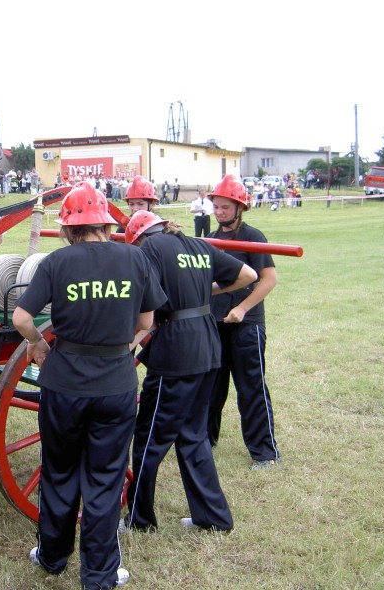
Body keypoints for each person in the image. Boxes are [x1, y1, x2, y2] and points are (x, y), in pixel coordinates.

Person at [13, 182, 166, 590]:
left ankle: (51, 557)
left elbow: (22, 318)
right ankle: (99, 574)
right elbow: (147, 323)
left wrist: (39, 346)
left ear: (68, 227)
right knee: (105, 478)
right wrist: (121, 348)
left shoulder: (56, 263)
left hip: (63, 385)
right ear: (104, 221)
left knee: (59, 471)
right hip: (115, 385)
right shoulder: (135, 258)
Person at [121, 210, 257, 535]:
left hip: (176, 351)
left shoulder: (148, 251)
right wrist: (202, 291)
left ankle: (139, 521)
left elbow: (145, 306)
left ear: (138, 237)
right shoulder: (198, 245)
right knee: (193, 436)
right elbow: (248, 275)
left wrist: (126, 344)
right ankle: (213, 518)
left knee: (149, 438)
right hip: (208, 346)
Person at [206, 175, 281, 470]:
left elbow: (269, 280)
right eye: (217, 206)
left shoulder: (254, 237)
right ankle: (205, 440)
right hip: (215, 322)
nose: (220, 212)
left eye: (226, 207)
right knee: (211, 386)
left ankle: (265, 453)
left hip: (246, 326)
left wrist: (242, 308)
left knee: (251, 388)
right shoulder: (211, 239)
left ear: (240, 207)